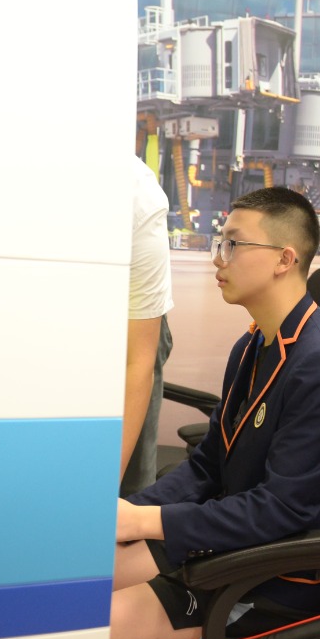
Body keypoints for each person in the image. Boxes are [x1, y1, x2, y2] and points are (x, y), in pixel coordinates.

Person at [106, 187, 320, 639]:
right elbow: (209, 465)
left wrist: (146, 523)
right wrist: (129, 514)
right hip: (236, 538)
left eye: (233, 244)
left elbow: (283, 509)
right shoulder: (254, 345)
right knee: (77, 578)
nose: (218, 257)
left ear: (284, 259)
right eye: (219, 242)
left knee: (101, 636)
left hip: (284, 569)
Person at [120, 156, 174, 496]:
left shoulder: (136, 192)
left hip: (131, 328)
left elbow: (137, 362)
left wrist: (103, 494)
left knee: (127, 492)